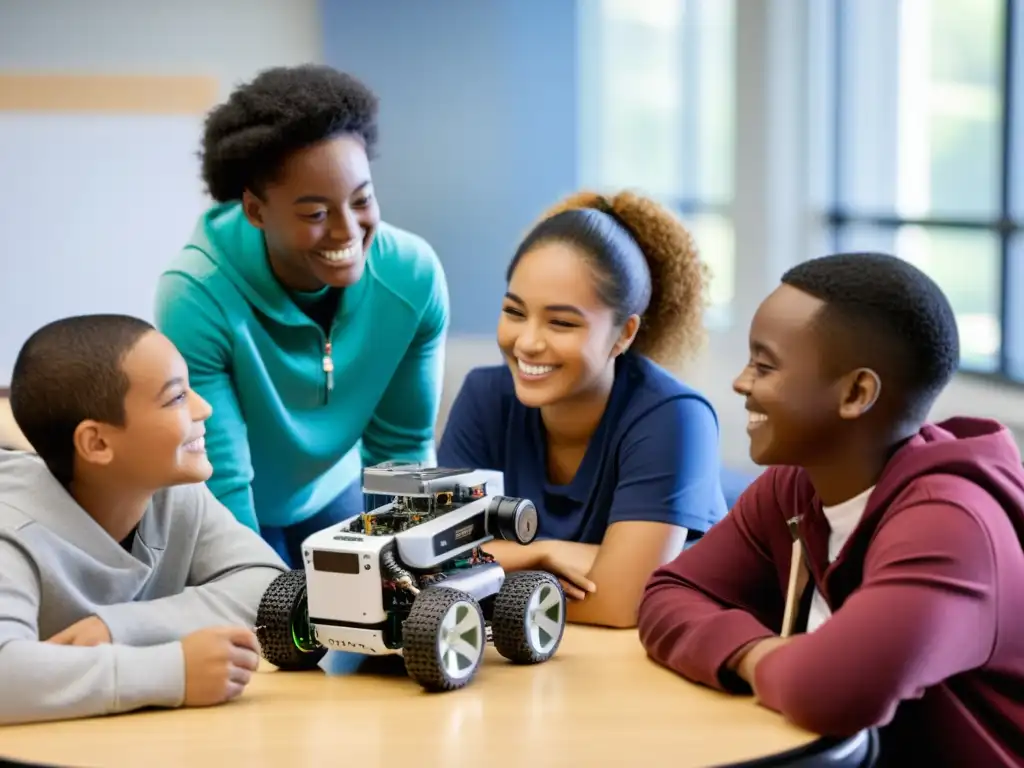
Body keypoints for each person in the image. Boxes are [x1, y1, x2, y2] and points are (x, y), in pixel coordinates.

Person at [637, 253, 1024, 766]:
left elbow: (827, 690)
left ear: (856, 393)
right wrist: (760, 653)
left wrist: (753, 654)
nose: (741, 382)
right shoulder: (795, 486)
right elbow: (669, 594)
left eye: (765, 365)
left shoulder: (954, 526)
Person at [154, 65, 449, 568]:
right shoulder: (196, 295)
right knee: (274, 632)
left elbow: (401, 448)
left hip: (335, 488)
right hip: (237, 507)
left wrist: (407, 580)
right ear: (255, 210)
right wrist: (257, 592)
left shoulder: (410, 279)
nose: (346, 231)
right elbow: (223, 479)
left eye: (362, 199)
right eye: (314, 214)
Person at [437, 190, 728, 629]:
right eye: (514, 312)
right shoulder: (484, 397)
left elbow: (619, 603)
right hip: (535, 654)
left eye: (561, 322)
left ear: (624, 333)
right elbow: (437, 568)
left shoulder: (675, 418)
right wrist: (541, 553)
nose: (528, 342)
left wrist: (490, 571)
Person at [0, 314, 288, 725]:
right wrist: (174, 672)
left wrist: (116, 629)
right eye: (175, 398)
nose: (203, 407)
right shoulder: (10, 527)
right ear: (96, 443)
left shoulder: (169, 488)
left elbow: (269, 587)